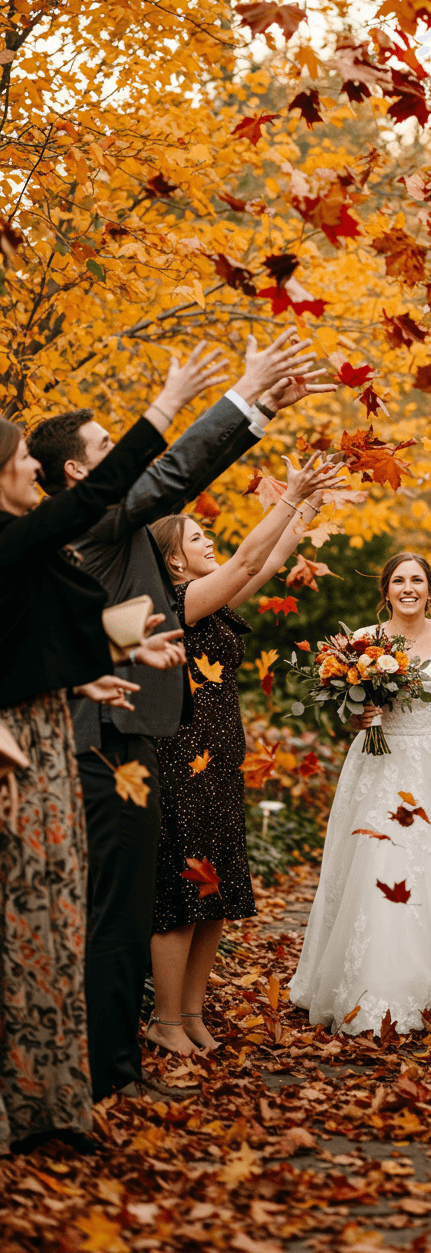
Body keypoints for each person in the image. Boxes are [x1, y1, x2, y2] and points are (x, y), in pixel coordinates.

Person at [28, 328, 333, 1101]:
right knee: (121, 913)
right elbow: (167, 480)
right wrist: (242, 399)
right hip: (108, 739)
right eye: (106, 443)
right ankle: (110, 1073)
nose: (120, 450)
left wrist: (259, 413)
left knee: (130, 911)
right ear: (78, 470)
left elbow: (183, 505)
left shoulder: (109, 529)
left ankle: (114, 1071)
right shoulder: (92, 520)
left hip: (136, 733)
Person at [0, 348, 223, 1154]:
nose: (25, 461)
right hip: (69, 751)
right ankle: (90, 1079)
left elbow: (51, 634)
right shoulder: (74, 523)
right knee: (80, 919)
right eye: (19, 456)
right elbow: (144, 487)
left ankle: (86, 1082)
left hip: (85, 728)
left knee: (83, 916)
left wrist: (105, 658)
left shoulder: (41, 543)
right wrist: (197, 405)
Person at [148, 451, 343, 1055]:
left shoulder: (216, 599)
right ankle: (164, 1021)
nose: (211, 543)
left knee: (216, 897)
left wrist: (304, 508)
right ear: (174, 558)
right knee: (182, 897)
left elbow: (270, 560)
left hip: (219, 764)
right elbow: (247, 559)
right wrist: (290, 497)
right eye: (198, 537)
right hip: (182, 764)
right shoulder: (177, 604)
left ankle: (192, 1013)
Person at [290, 553, 431, 1035]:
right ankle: (367, 987)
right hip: (376, 765)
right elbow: (348, 709)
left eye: (417, 580)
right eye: (397, 580)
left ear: (430, 590)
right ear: (385, 590)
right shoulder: (362, 644)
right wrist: (357, 717)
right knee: (374, 866)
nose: (407, 587)